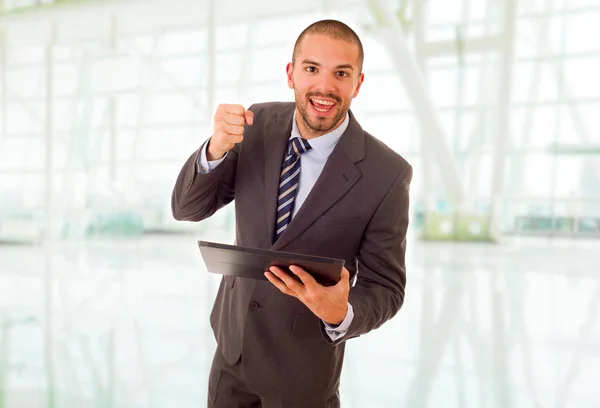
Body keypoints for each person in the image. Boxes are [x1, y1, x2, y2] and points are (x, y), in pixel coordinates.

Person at [171, 19, 412, 408]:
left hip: (303, 373)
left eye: (341, 73)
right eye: (312, 69)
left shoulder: (387, 173)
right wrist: (215, 149)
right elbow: (188, 208)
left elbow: (387, 287)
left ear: (358, 84)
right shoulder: (256, 125)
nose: (325, 87)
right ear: (291, 74)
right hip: (232, 353)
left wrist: (343, 312)